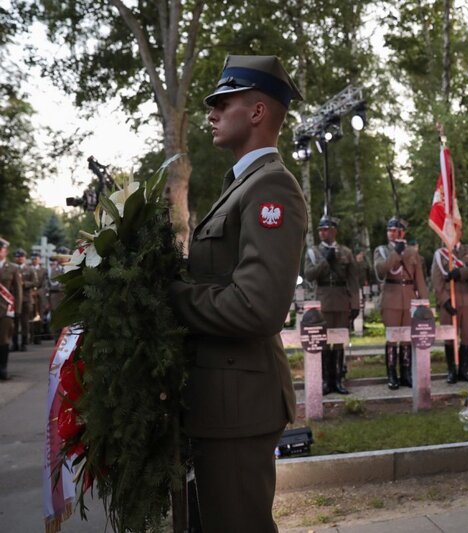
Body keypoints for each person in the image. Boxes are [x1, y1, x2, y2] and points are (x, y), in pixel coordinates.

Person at [167, 55, 306, 533]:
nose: (211, 113)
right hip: (221, 399)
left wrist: (169, 297)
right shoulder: (242, 185)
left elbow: (257, 307)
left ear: (257, 112)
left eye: (221, 102)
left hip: (238, 403)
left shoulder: (271, 188)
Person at [304, 215, 359, 395]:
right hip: (324, 300)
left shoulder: (346, 252)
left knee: (340, 341)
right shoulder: (314, 252)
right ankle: (326, 381)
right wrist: (324, 261)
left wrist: (355, 304)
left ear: (334, 231)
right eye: (320, 229)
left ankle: (338, 380)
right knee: (325, 342)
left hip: (342, 300)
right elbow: (309, 275)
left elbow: (352, 281)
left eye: (325, 229)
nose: (322, 232)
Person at [374, 217, 428, 389]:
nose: (391, 233)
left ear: (402, 233)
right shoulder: (381, 250)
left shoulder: (412, 253)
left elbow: (419, 279)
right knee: (392, 338)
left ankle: (406, 374)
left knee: (407, 339)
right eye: (389, 230)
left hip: (410, 299)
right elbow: (381, 271)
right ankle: (392, 375)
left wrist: (424, 302)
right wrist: (396, 254)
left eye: (395, 230)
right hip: (391, 298)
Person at [431, 225, 468, 384]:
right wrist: (444, 301)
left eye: (456, 230)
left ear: (460, 232)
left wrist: (460, 273)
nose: (454, 233)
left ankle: (464, 371)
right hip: (450, 300)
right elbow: (437, 279)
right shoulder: (441, 254)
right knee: (450, 337)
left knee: (467, 335)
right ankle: (451, 371)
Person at [0, 238, 22, 380]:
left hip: (5, 309)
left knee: (3, 339)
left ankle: (3, 368)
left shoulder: (13, 268)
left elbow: (18, 290)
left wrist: (18, 310)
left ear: (5, 251)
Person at [13, 249, 34, 352]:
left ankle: (24, 343)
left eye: (21, 256)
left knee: (24, 322)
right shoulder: (12, 269)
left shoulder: (29, 269)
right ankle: (14, 343)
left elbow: (35, 282)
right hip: (14, 299)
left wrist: (24, 284)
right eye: (18, 256)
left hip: (26, 299)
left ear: (25, 258)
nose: (20, 258)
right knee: (14, 322)